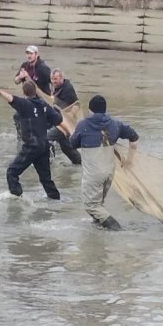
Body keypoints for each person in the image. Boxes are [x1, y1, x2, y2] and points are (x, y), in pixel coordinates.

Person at [0, 80, 70, 199]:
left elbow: (10, 98)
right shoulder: (44, 105)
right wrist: (68, 132)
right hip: (44, 145)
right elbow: (60, 121)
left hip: (32, 145)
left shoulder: (24, 104)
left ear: (24, 92)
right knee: (46, 179)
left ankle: (17, 196)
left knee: (12, 172)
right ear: (35, 92)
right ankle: (56, 199)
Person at [69, 95, 139, 230]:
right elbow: (134, 140)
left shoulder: (83, 125)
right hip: (109, 173)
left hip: (94, 174)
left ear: (90, 109)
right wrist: (129, 160)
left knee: (91, 206)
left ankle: (117, 229)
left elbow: (72, 144)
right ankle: (98, 231)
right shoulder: (115, 124)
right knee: (98, 205)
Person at [47, 69, 82, 165]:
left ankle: (49, 162)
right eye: (52, 79)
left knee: (46, 138)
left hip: (65, 123)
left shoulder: (68, 89)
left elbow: (76, 105)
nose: (53, 81)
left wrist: (69, 117)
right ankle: (80, 163)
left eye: (55, 79)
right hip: (57, 120)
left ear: (62, 78)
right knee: (66, 147)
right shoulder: (55, 87)